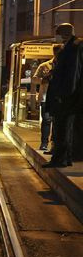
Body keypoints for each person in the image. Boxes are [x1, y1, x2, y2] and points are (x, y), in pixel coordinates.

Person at [43, 24, 81, 168]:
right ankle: (65, 158)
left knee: (62, 128)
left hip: (65, 98)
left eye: (57, 33)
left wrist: (63, 94)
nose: (56, 35)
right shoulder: (69, 46)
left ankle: (60, 159)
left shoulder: (74, 47)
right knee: (64, 128)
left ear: (64, 33)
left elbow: (73, 73)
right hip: (66, 96)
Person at [35, 45, 61, 152]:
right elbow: (35, 79)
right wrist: (44, 78)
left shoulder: (66, 65)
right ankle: (44, 143)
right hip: (46, 97)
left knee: (57, 121)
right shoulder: (44, 66)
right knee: (46, 120)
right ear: (54, 53)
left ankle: (55, 144)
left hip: (59, 97)